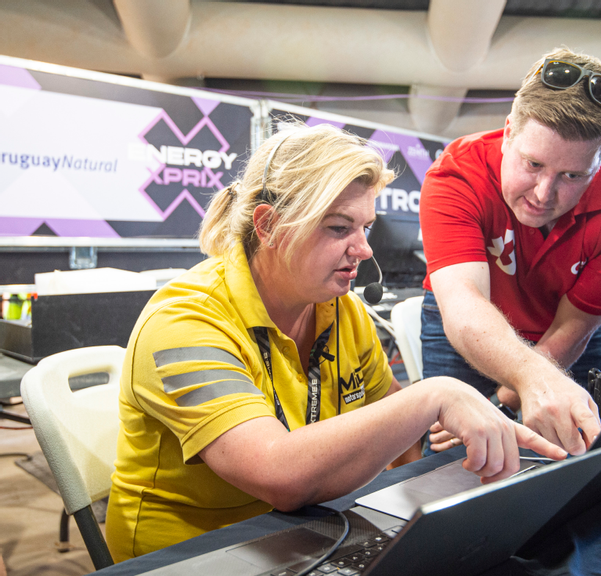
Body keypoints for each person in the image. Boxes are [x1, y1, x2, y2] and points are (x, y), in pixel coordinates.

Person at [105, 123, 566, 561]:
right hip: (193, 556)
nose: (364, 249)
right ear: (268, 226)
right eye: (339, 228)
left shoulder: (342, 311)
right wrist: (437, 395)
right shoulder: (185, 321)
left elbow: (397, 437)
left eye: (365, 227)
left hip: (302, 536)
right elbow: (277, 474)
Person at [420, 48, 601, 456]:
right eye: (532, 164)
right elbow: (464, 306)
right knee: (452, 464)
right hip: (472, 323)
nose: (543, 194)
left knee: (584, 458)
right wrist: (526, 383)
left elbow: (574, 327)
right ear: (508, 132)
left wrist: (504, 401)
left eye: (572, 175)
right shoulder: (457, 174)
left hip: (565, 332)